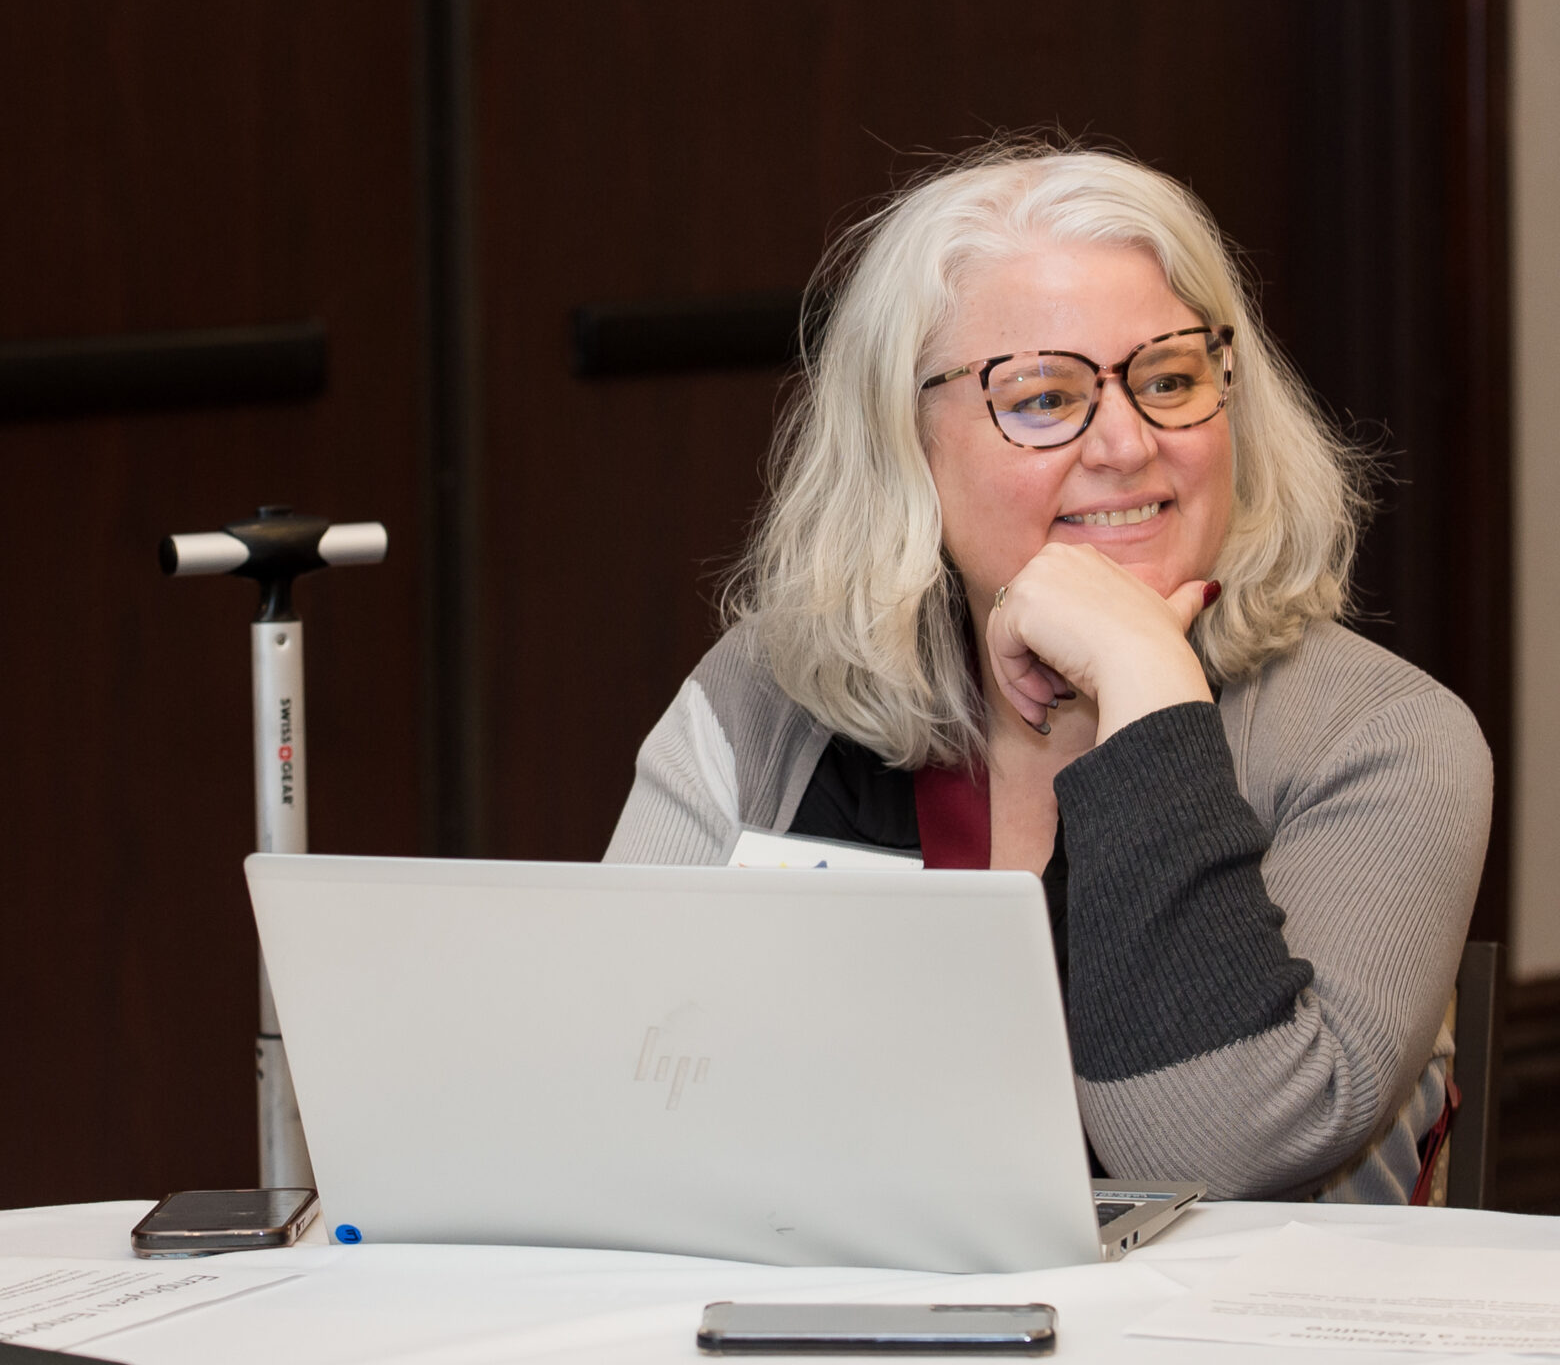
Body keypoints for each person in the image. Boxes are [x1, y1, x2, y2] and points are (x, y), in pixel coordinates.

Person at [605, 142, 1490, 1204]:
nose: (1126, 444)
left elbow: (1209, 1156)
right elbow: (612, 1083)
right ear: (905, 443)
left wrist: (1145, 686)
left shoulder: (1384, 736)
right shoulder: (773, 692)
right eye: (1042, 397)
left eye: (1170, 380)